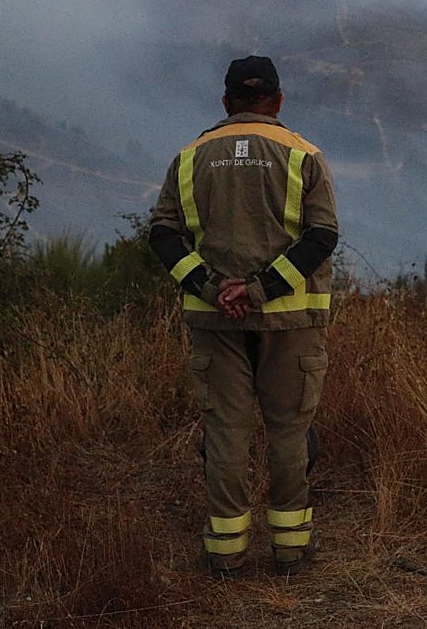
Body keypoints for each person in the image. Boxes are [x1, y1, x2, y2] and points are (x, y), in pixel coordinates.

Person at [149, 55, 339, 577]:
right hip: (291, 320)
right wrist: (259, 291)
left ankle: (226, 554)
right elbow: (321, 238)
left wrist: (214, 290)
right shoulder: (305, 157)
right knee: (289, 431)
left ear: (227, 102)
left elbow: (163, 235)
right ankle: (292, 551)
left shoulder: (190, 158)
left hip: (215, 322)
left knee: (226, 433)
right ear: (277, 101)